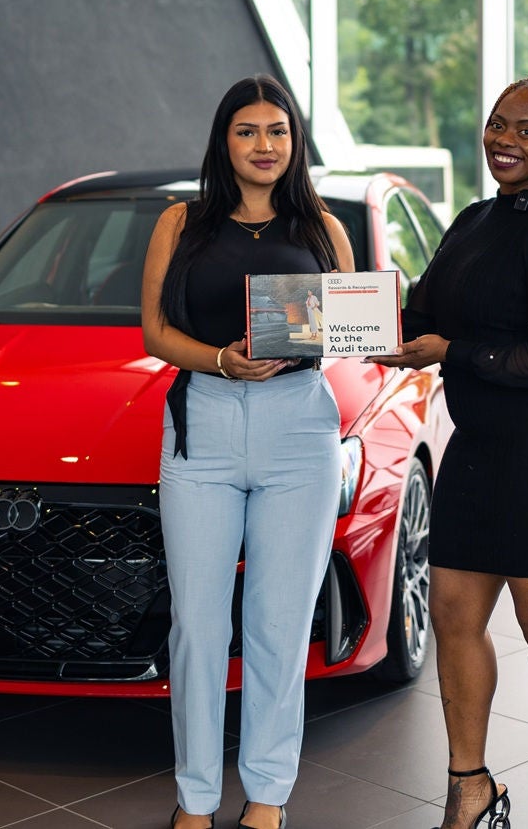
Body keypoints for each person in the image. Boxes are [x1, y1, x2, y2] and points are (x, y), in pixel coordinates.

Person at [370, 78, 528, 829]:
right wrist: (331, 321)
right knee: (452, 610)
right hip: (480, 440)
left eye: (527, 131)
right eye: (497, 124)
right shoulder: (476, 220)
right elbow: (419, 313)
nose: (505, 140)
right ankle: (470, 786)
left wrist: (452, 350)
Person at [141, 75, 356, 829]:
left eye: (278, 131)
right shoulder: (182, 223)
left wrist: (367, 333)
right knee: (199, 624)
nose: (265, 145)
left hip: (300, 427)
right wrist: (222, 361)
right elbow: (155, 336)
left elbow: (352, 334)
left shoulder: (324, 230)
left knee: (279, 621)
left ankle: (267, 794)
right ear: (223, 141)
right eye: (247, 131)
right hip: (203, 420)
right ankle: (195, 797)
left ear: (295, 143)